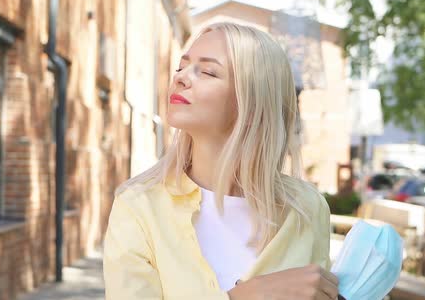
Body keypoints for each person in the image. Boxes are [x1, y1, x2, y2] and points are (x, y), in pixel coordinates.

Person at [103, 22, 339, 300]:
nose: (180, 78)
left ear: (251, 101)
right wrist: (246, 296)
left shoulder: (307, 208)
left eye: (207, 71)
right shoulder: (138, 207)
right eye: (181, 67)